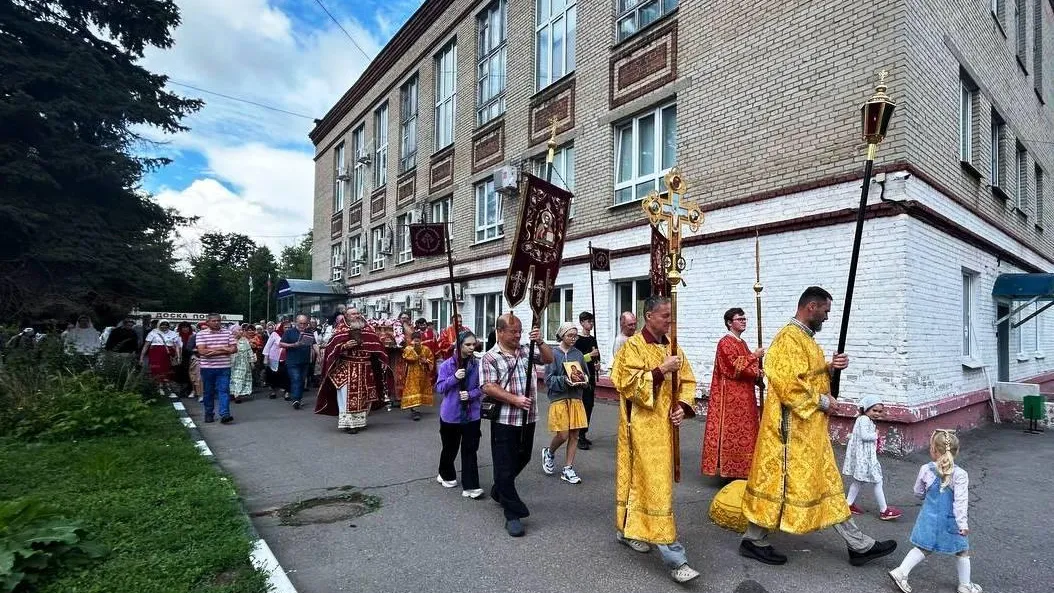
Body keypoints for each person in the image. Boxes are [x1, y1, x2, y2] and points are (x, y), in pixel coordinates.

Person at [740, 286, 897, 567]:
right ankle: (753, 540)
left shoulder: (805, 339)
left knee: (822, 482)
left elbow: (806, 374)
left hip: (807, 430)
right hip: (789, 431)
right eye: (825, 311)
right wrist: (825, 402)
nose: (826, 317)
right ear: (811, 307)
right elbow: (789, 385)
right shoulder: (789, 338)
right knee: (782, 484)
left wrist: (830, 368)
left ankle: (857, 545)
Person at [610, 296, 700, 584]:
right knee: (655, 488)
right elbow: (624, 383)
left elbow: (688, 381)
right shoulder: (632, 347)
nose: (668, 322)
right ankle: (676, 558)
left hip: (665, 428)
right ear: (648, 315)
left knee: (643, 484)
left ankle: (627, 528)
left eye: (671, 316)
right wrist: (661, 370)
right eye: (664, 316)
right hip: (641, 430)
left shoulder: (673, 347)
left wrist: (681, 407)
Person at [480, 313, 554, 537]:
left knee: (523, 457)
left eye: (520, 331)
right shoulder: (490, 357)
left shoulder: (525, 350)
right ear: (500, 332)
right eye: (513, 332)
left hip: (528, 417)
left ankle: (499, 489)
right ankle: (512, 514)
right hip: (505, 419)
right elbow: (487, 386)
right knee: (504, 464)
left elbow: (549, 360)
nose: (517, 335)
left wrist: (540, 341)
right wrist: (514, 399)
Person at [888, 430, 980, 593]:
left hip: (929, 518)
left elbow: (918, 492)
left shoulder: (925, 469)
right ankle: (965, 585)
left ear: (934, 451)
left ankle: (901, 572)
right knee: (962, 549)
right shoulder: (960, 474)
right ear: (956, 452)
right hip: (950, 521)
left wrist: (924, 495)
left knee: (924, 547)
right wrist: (963, 524)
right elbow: (960, 502)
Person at [701, 307, 765, 479]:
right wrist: (754, 356)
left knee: (747, 431)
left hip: (745, 396)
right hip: (730, 398)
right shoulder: (725, 342)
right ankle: (729, 469)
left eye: (745, 319)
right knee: (732, 432)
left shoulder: (742, 343)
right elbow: (731, 367)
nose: (744, 321)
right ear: (730, 323)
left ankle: (744, 469)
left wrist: (758, 374)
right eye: (740, 319)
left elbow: (748, 369)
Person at [315, 312, 393, 432]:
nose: (356, 315)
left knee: (365, 397)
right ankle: (349, 424)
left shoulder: (368, 329)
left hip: (366, 369)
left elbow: (378, 347)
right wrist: (344, 346)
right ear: (346, 316)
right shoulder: (340, 331)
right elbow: (330, 350)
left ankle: (360, 422)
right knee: (346, 397)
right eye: (353, 314)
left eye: (358, 313)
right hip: (347, 368)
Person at [435, 330, 484, 498]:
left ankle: (470, 486)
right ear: (459, 345)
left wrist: (471, 394)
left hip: (472, 414)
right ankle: (445, 473)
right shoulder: (447, 365)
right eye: (467, 345)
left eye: (473, 344)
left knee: (470, 448)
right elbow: (440, 388)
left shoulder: (478, 365)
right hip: (451, 414)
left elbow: (484, 387)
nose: (472, 348)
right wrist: (454, 378)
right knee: (450, 447)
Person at [542, 322, 588, 485]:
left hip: (576, 398)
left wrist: (584, 381)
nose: (573, 339)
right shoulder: (553, 353)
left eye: (575, 336)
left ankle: (568, 468)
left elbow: (585, 375)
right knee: (563, 434)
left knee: (575, 434)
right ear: (561, 335)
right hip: (559, 398)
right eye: (570, 335)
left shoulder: (579, 354)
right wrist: (565, 380)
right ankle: (549, 451)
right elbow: (548, 380)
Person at [843, 395, 902, 520]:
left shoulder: (865, 420)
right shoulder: (864, 419)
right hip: (865, 458)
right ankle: (884, 510)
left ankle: (848, 504)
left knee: (859, 480)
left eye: (880, 411)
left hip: (865, 456)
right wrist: (875, 435)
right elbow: (864, 436)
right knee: (878, 480)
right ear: (865, 409)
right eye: (874, 410)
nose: (877, 413)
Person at [196, 313, 237, 424]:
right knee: (208, 392)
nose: (217, 323)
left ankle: (224, 414)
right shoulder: (201, 334)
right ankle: (209, 413)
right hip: (207, 367)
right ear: (208, 322)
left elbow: (233, 349)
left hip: (224, 366)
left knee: (224, 390)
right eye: (214, 321)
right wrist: (224, 348)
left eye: (218, 321)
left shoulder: (228, 332)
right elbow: (202, 352)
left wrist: (213, 351)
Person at [572, 311, 600, 450]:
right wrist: (590, 355)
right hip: (581, 377)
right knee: (583, 405)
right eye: (589, 321)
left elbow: (596, 356)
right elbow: (576, 360)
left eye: (592, 321)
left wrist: (597, 363)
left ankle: (584, 433)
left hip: (591, 376)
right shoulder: (578, 340)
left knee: (590, 406)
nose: (591, 324)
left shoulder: (593, 339)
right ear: (582, 322)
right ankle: (578, 436)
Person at [279, 314, 315, 410]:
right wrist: (294, 345)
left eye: (305, 323)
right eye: (301, 323)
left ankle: (298, 398)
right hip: (292, 361)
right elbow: (281, 344)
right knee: (296, 379)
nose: (303, 325)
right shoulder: (289, 332)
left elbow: (314, 344)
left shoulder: (309, 332)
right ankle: (296, 399)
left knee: (302, 381)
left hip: (305, 361)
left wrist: (319, 354)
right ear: (296, 322)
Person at [141, 320, 181, 398]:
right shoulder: (153, 333)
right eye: (162, 325)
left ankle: (168, 389)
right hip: (155, 355)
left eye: (166, 325)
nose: (164, 326)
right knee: (156, 370)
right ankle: (159, 388)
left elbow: (177, 346)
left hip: (168, 356)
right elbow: (146, 346)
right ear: (159, 325)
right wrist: (141, 357)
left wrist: (178, 357)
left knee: (167, 371)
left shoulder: (173, 334)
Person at [401, 331, 435, 421]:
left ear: (421, 340)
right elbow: (407, 358)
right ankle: (415, 410)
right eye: (415, 341)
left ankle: (417, 409)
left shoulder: (426, 349)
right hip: (412, 374)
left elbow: (431, 359)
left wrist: (426, 361)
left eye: (418, 341)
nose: (417, 343)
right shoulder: (408, 349)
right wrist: (417, 355)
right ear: (411, 341)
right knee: (414, 390)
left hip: (423, 374)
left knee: (420, 391)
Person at [264, 320, 289, 400]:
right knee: (273, 375)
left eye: (289, 327)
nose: (287, 329)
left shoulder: (291, 335)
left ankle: (287, 392)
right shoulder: (275, 334)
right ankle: (273, 391)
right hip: (274, 358)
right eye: (285, 327)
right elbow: (268, 346)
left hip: (287, 359)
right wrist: (265, 358)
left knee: (286, 375)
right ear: (282, 327)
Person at [230, 325, 255, 404]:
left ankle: (237, 395)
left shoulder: (244, 340)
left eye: (241, 330)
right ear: (233, 331)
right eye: (239, 330)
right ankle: (233, 393)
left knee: (239, 379)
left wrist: (252, 362)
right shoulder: (229, 340)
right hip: (231, 363)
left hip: (243, 363)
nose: (241, 331)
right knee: (232, 379)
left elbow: (249, 351)